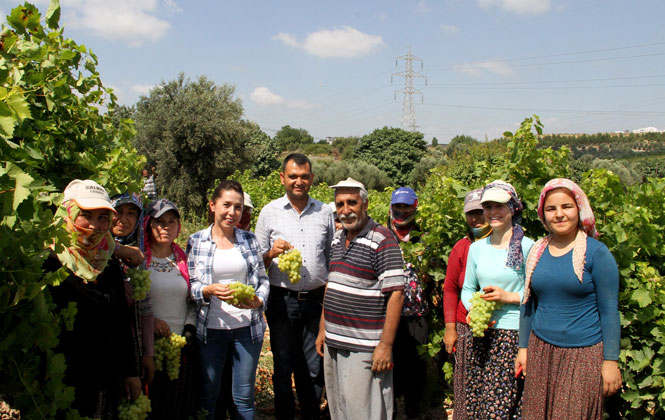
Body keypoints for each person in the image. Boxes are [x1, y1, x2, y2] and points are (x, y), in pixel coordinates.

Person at [516, 178, 621, 420]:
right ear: (544, 214)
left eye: (566, 207)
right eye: (551, 209)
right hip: (541, 349)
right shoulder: (537, 252)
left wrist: (610, 361)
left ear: (579, 209)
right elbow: (528, 304)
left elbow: (609, 311)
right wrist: (523, 348)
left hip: (582, 356)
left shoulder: (597, 253)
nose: (559, 214)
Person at [47, 179, 141, 418]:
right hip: (61, 382)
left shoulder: (106, 263)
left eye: (102, 217)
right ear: (68, 213)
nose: (95, 225)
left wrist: (130, 371)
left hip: (106, 380)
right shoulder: (49, 262)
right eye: (86, 215)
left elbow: (121, 319)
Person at [315, 178, 405, 420]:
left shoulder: (382, 239)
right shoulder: (337, 238)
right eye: (340, 204)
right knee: (339, 408)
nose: (345, 210)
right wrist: (323, 328)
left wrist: (385, 345)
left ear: (365, 204)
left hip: (364, 347)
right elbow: (331, 284)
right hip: (335, 341)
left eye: (351, 202)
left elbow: (396, 293)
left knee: (365, 411)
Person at [255, 154, 334, 420]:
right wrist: (269, 254)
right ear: (282, 178)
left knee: (313, 367)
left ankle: (310, 414)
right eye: (292, 176)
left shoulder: (326, 212)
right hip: (281, 299)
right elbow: (256, 262)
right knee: (283, 364)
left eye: (303, 176)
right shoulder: (269, 212)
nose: (298, 182)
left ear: (311, 179)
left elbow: (331, 257)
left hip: (316, 301)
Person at [188, 180, 270, 420]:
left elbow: (263, 281)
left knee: (244, 399)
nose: (232, 213)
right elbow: (190, 286)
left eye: (238, 207)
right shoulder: (196, 241)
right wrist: (207, 290)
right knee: (208, 395)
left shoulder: (249, 240)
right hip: (210, 330)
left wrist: (258, 300)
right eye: (226, 205)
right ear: (212, 205)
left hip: (247, 330)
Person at [460, 180, 534, 420]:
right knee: (478, 402)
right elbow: (468, 288)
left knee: (498, 407)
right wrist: (473, 308)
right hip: (481, 334)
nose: (492, 212)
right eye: (487, 207)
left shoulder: (528, 248)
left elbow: (538, 294)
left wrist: (507, 297)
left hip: (512, 335)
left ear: (513, 207)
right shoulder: (477, 249)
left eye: (499, 206)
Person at [142, 198, 198, 419]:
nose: (165, 227)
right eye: (159, 222)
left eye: (171, 222)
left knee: (175, 407)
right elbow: (132, 302)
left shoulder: (184, 259)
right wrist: (151, 322)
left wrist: (189, 327)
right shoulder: (138, 259)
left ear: (178, 227)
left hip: (178, 349)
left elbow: (191, 299)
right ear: (148, 224)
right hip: (149, 350)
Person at [442, 188, 491, 420]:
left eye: (481, 212)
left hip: (498, 328)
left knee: (493, 387)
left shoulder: (506, 247)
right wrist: (450, 327)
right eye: (471, 213)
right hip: (466, 327)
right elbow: (450, 288)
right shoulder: (461, 248)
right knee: (466, 386)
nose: (476, 218)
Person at [386, 187, 428, 419]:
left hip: (417, 313)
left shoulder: (426, 235)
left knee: (416, 370)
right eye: (397, 206)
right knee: (388, 369)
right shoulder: (381, 234)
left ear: (415, 206)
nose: (401, 211)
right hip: (386, 313)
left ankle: (414, 411)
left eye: (406, 206)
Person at [111, 192, 155, 386]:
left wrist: (148, 353)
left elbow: (144, 309)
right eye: (117, 211)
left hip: (131, 349)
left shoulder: (138, 257)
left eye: (131, 213)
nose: (124, 220)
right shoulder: (93, 256)